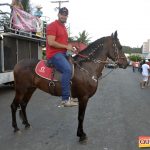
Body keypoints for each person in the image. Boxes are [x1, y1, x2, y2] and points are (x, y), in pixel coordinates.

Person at [46, 7, 78, 107]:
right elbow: (51, 42)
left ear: (67, 16)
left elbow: (63, 43)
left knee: (76, 66)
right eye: (62, 14)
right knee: (67, 69)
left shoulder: (64, 27)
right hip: (54, 54)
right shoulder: (52, 25)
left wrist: (71, 47)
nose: (63, 16)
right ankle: (65, 99)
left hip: (63, 53)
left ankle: (73, 95)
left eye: (65, 15)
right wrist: (66, 46)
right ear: (58, 14)